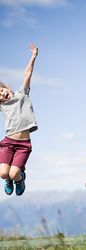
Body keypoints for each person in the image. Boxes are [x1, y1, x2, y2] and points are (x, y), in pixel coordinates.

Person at [0, 43, 38, 196]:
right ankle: (8, 180)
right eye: (0, 96)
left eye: (3, 91)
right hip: (8, 143)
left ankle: (19, 178)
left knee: (14, 174)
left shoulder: (22, 94)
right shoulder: (3, 106)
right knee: (4, 174)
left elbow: (27, 74)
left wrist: (33, 56)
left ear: (7, 88)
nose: (3, 94)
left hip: (23, 144)